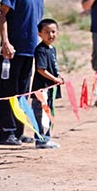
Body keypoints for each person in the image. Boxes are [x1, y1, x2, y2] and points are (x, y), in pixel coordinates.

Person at [0, 0, 44, 146]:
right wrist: (6, 42)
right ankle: (6, 132)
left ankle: (19, 130)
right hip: (12, 51)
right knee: (7, 91)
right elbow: (2, 15)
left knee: (23, 92)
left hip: (30, 50)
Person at [31, 19, 64, 149]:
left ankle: (46, 138)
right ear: (39, 33)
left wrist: (58, 77)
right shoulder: (41, 50)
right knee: (41, 115)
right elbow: (41, 69)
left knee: (48, 113)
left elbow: (53, 67)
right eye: (46, 32)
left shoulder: (52, 49)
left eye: (53, 32)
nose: (50, 35)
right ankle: (41, 140)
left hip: (50, 89)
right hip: (41, 90)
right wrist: (55, 79)